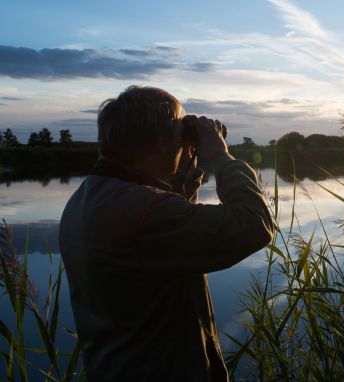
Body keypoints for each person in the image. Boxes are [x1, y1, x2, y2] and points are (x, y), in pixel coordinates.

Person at [59, 86, 274, 381]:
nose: (185, 138)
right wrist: (220, 156)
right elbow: (253, 224)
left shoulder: (87, 199)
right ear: (161, 141)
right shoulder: (145, 213)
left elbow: (166, 246)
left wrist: (184, 175)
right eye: (180, 129)